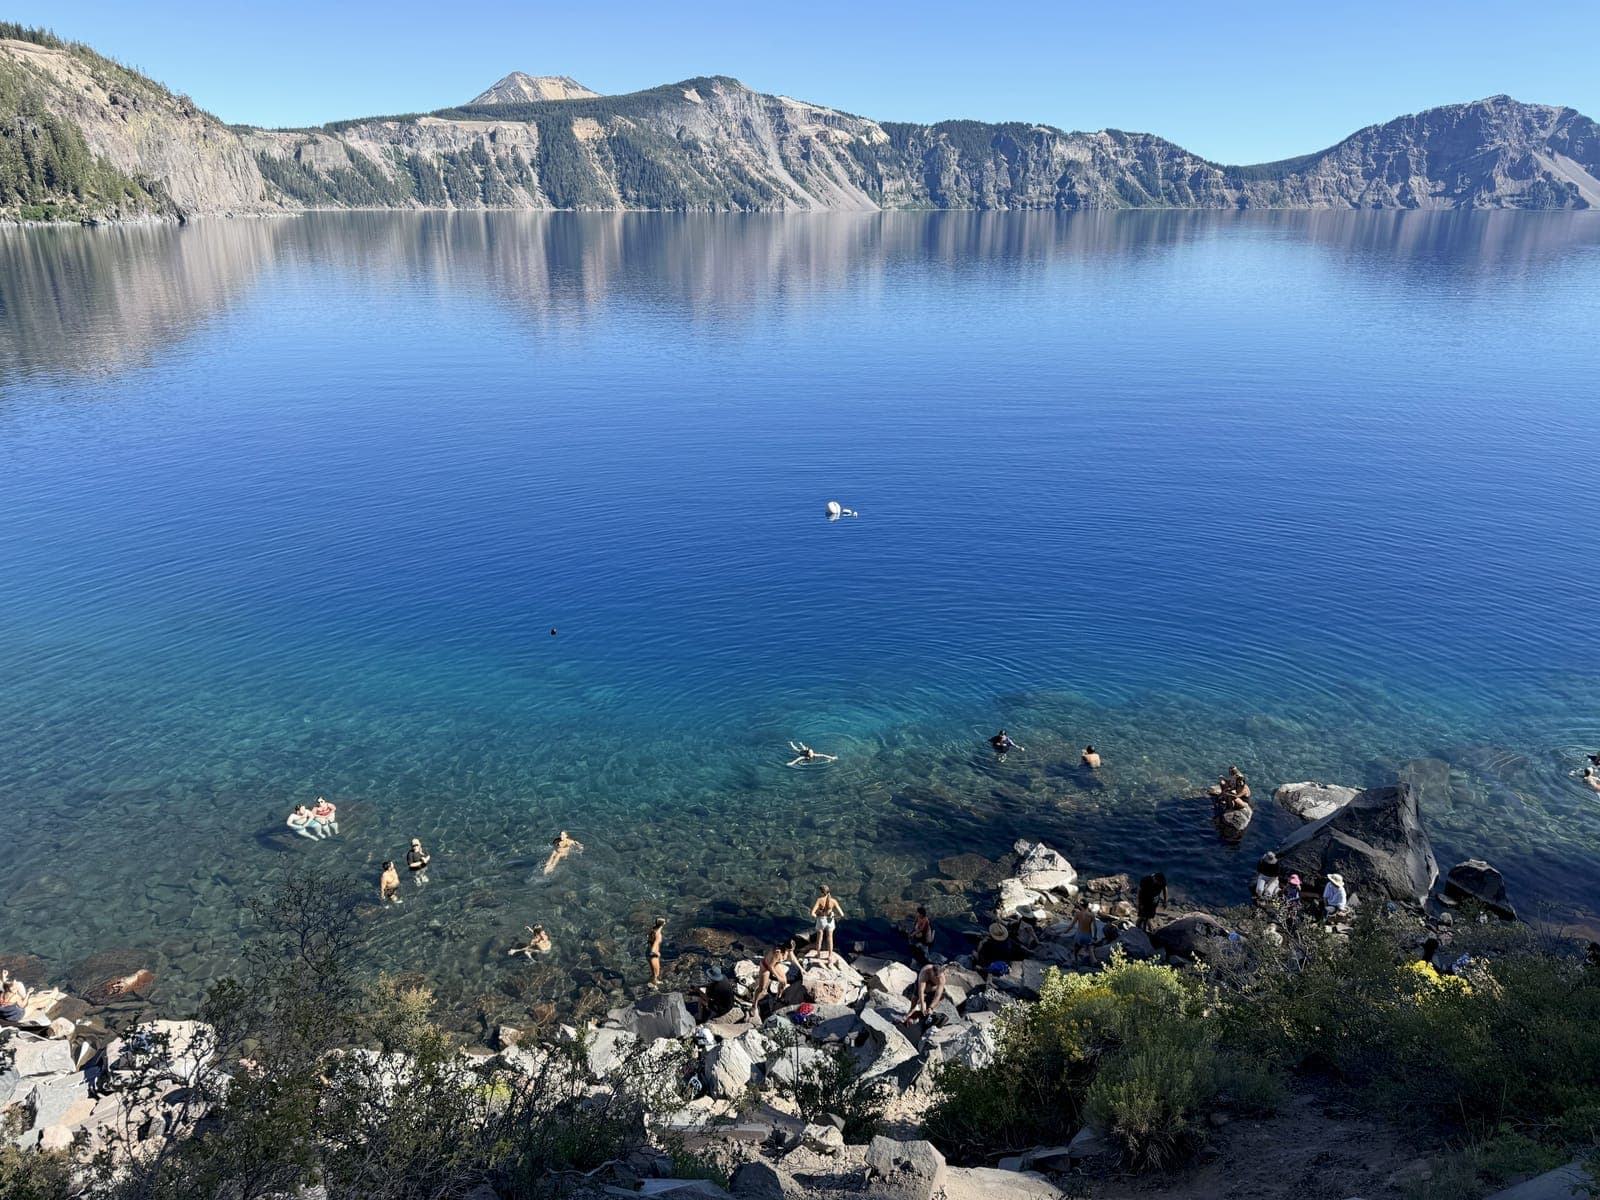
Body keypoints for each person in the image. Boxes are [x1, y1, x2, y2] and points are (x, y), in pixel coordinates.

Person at [810, 886, 844, 961]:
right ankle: (830, 956)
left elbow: (812, 913)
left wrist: (817, 917)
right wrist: (834, 917)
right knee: (830, 939)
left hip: (821, 920)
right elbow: (842, 914)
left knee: (819, 938)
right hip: (830, 920)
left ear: (821, 892)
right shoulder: (833, 901)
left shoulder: (819, 900)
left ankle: (818, 954)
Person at [647, 917, 666, 986]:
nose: (665, 923)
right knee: (656, 973)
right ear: (662, 924)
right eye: (664, 922)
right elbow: (654, 948)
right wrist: (657, 953)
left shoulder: (652, 929)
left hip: (647, 953)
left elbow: (647, 935)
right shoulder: (658, 935)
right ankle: (654, 985)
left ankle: (652, 983)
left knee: (653, 972)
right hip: (653, 955)